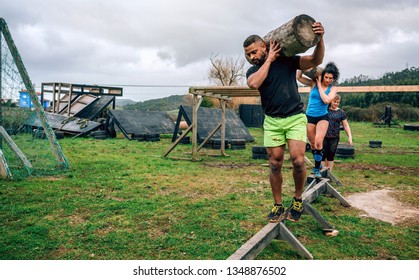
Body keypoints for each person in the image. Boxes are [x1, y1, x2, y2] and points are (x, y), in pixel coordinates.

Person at [243, 21, 325, 223]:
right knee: (274, 163)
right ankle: (278, 205)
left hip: (295, 117)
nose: (252, 57)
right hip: (272, 121)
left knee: (297, 161)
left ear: (264, 46)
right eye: (248, 55)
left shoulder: (287, 60)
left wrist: (320, 39)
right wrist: (268, 60)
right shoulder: (253, 71)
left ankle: (297, 200)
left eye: (254, 52)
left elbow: (315, 59)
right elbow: (254, 84)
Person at [296, 62, 339, 178]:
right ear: (322, 75)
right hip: (310, 116)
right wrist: (300, 65)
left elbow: (326, 100)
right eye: (326, 77)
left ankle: (316, 169)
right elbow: (298, 77)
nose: (328, 80)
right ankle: (319, 165)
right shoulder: (312, 83)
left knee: (319, 141)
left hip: (323, 117)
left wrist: (320, 86)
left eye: (331, 78)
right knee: (313, 144)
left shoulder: (333, 88)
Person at [322, 94, 353, 171]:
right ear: (331, 101)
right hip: (323, 136)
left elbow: (345, 125)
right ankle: (321, 172)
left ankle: (329, 174)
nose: (336, 103)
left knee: (331, 155)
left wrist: (349, 136)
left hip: (334, 137)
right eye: (334, 101)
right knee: (322, 155)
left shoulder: (341, 112)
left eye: (338, 102)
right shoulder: (325, 110)